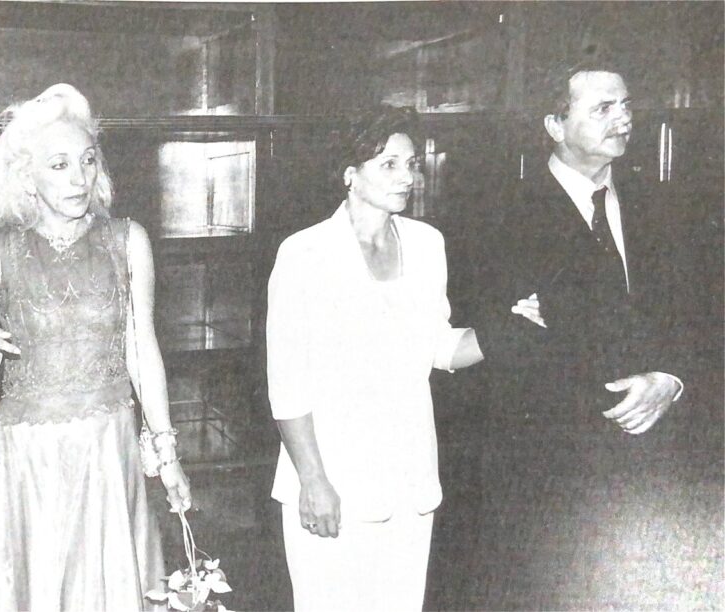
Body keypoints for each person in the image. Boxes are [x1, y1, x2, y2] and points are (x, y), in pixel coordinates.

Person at [265, 105, 536, 611]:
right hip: (333, 482)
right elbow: (287, 384)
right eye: (388, 164)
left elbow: (439, 348)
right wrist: (314, 481)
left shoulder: (428, 244)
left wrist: (507, 331)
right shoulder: (304, 254)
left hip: (411, 480)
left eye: (411, 164)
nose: (407, 177)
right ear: (349, 173)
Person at [472, 63, 698, 609]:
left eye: (626, 104)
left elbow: (698, 316)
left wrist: (669, 379)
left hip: (659, 474)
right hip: (551, 478)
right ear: (555, 124)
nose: (624, 119)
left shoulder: (665, 204)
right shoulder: (499, 215)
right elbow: (508, 346)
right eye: (603, 108)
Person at [0, 83, 191, 611]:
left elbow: (142, 349)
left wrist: (167, 453)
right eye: (59, 165)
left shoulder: (127, 240)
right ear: (27, 176)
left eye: (88, 161)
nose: (79, 178)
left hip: (107, 449)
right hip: (28, 461)